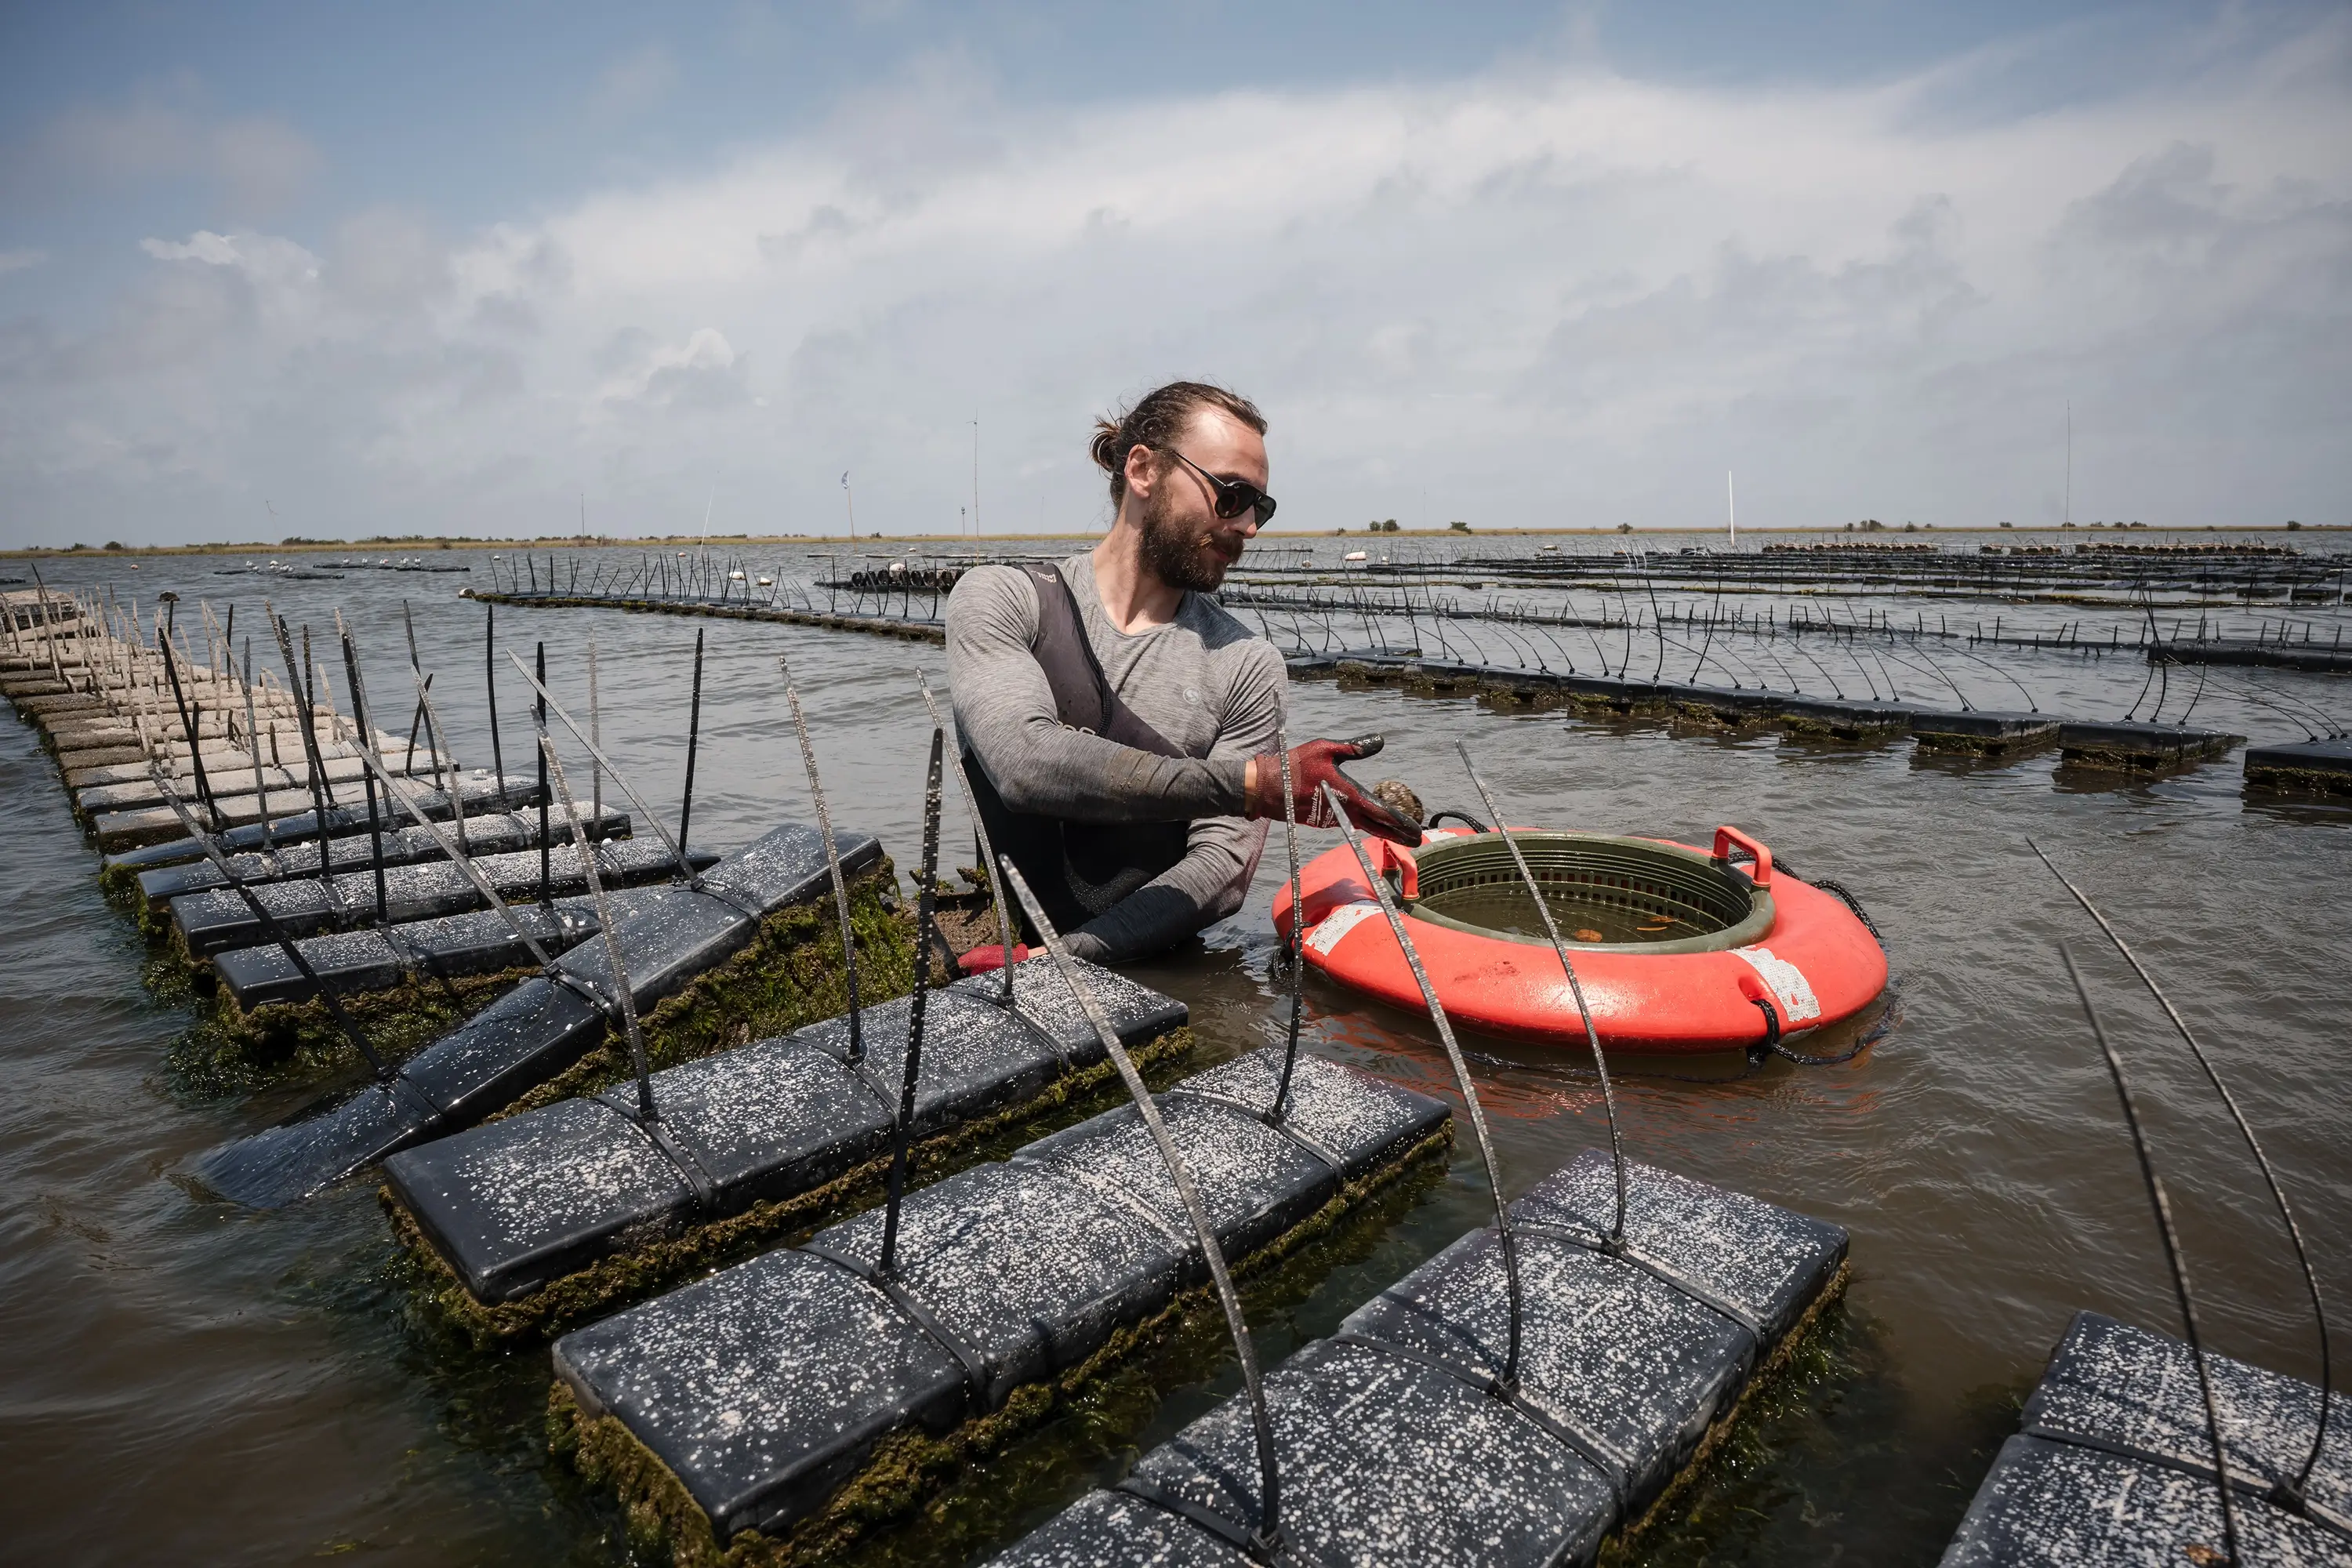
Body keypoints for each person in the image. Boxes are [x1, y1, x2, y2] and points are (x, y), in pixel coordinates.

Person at [946, 379, 1420, 968]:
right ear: (1143, 470)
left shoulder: (1248, 665)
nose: (1247, 525)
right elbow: (1024, 763)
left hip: (1143, 963)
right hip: (999, 943)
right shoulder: (1008, 599)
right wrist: (1254, 786)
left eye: (1260, 508)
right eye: (1231, 494)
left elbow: (1221, 867)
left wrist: (1062, 963)